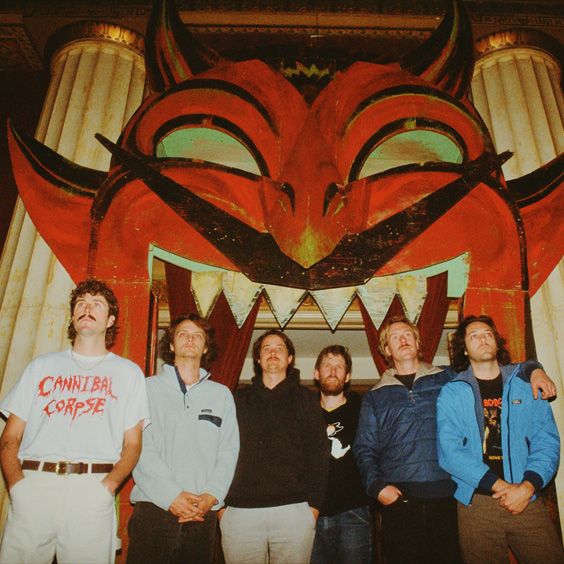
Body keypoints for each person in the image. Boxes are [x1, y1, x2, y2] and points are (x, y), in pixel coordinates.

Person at [353, 316, 555, 564]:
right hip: (400, 500)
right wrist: (377, 487)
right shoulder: (374, 397)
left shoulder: (449, 378)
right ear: (386, 349)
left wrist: (534, 369)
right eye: (395, 337)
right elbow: (364, 449)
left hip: (449, 497)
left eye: (407, 334)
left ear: (417, 342)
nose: (402, 340)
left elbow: (493, 366)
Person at [0, 278, 149, 564]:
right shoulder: (41, 367)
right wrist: (18, 486)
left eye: (97, 304)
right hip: (34, 485)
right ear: (72, 316)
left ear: (111, 320)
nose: (86, 308)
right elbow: (10, 437)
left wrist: (108, 486)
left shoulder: (128, 373)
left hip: (92, 490)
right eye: (81, 303)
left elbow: (133, 444)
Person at [436, 315, 563, 563]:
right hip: (477, 504)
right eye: (474, 336)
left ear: (496, 341)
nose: (482, 339)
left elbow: (547, 442)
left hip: (526, 498)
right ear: (464, 348)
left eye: (487, 334)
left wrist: (527, 487)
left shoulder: (526, 384)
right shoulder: (452, 392)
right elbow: (449, 451)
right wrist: (501, 487)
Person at [127, 313, 239, 564]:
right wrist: (171, 496)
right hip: (154, 508)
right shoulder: (146, 388)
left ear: (206, 347)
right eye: (183, 334)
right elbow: (140, 448)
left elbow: (228, 452)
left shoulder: (221, 395)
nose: (190, 339)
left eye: (197, 335)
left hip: (202, 512)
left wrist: (211, 496)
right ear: (171, 344)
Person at [220, 329, 329, 564]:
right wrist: (222, 507)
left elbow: (319, 456)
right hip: (241, 512)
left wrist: (313, 508)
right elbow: (221, 451)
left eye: (279, 348)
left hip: (294, 511)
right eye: (266, 349)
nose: (272, 353)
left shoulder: (307, 400)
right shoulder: (237, 400)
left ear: (290, 358)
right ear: (258, 359)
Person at [311, 345, 372, 564]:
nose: (333, 370)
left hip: (354, 512)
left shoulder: (363, 409)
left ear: (347, 376)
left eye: (339, 366)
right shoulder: (304, 412)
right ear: (316, 373)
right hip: (311, 514)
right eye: (327, 365)